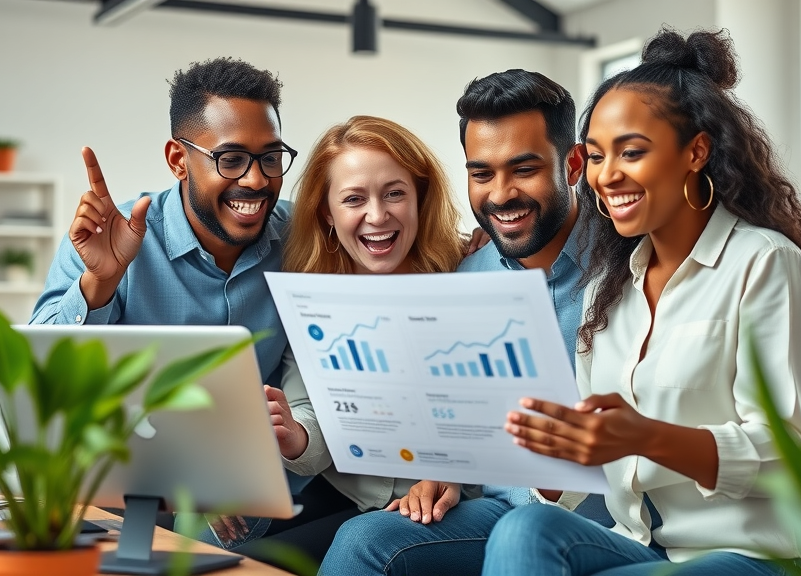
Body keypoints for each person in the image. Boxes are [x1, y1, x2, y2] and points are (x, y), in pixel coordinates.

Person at [482, 28, 801, 576]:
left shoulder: (764, 264)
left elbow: (784, 458)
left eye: (631, 152)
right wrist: (556, 462)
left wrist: (645, 435)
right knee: (524, 527)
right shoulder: (608, 286)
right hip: (638, 543)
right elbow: (592, 460)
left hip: (744, 557)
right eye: (595, 156)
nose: (607, 175)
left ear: (696, 152)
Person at [319, 69, 597, 576]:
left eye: (524, 168)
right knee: (366, 539)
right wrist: (442, 465)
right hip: (497, 505)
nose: (501, 193)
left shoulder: (628, 262)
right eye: (482, 173)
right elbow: (462, 406)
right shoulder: (470, 271)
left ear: (573, 164)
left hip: (598, 513)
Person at [30, 57, 318, 543]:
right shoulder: (115, 237)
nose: (255, 180)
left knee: (206, 527)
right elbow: (38, 377)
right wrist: (100, 282)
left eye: (270, 158)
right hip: (127, 470)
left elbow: (382, 251)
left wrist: (460, 245)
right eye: (230, 159)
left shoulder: (301, 237)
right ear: (178, 159)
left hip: (240, 474)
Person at [243, 115, 469, 565]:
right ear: (327, 213)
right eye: (353, 199)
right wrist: (295, 435)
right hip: (357, 500)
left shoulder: (467, 280)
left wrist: (449, 470)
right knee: (229, 557)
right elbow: (314, 419)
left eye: (395, 193)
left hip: (446, 507)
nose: (377, 216)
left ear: (420, 197)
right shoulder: (314, 301)